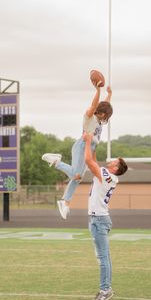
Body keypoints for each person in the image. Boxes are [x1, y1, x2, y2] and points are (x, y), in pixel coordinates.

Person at [42, 76, 113, 220]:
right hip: (82, 146)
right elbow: (95, 105)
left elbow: (104, 106)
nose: (106, 118)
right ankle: (56, 162)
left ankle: (65, 202)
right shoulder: (90, 116)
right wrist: (98, 90)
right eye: (106, 115)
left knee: (77, 178)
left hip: (90, 148)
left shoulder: (98, 120)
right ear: (101, 113)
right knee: (75, 175)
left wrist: (109, 95)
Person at [84, 132, 128, 300]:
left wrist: (88, 142)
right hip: (99, 219)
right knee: (105, 257)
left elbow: (89, 162)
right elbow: (94, 161)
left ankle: (105, 289)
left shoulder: (108, 176)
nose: (110, 162)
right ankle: (106, 288)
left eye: (114, 162)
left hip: (99, 220)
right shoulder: (107, 175)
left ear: (116, 169)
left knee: (102, 258)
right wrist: (93, 144)